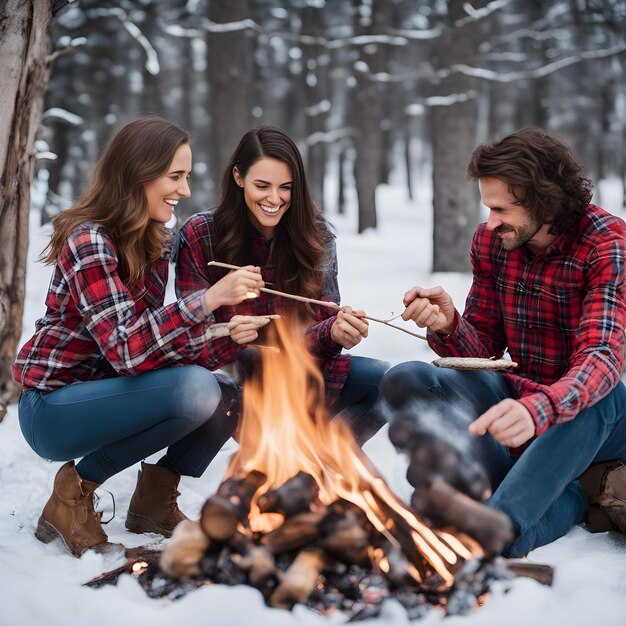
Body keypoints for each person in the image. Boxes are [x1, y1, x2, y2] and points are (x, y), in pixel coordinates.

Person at [13, 116, 268, 557]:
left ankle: (152, 500)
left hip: (108, 394)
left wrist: (229, 337)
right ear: (137, 174)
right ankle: (71, 496)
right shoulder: (88, 240)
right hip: (53, 409)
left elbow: (154, 349)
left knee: (224, 393)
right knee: (196, 386)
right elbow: (128, 350)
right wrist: (206, 302)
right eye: (175, 177)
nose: (185, 191)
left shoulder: (154, 242)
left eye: (186, 177)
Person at [380, 127, 626, 557]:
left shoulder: (607, 243)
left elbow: (600, 358)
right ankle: (534, 495)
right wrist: (448, 324)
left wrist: (542, 409)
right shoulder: (493, 242)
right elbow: (484, 352)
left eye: (500, 209)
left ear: (546, 201)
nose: (490, 222)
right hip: (516, 396)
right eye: (487, 207)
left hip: (591, 416)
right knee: (408, 378)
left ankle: (499, 525)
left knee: (600, 398)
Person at [175, 124, 389, 444]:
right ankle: (164, 480)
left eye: (285, 187)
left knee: (387, 383)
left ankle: (323, 465)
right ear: (238, 177)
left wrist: (334, 331)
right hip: (238, 385)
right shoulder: (201, 233)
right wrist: (232, 335)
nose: (274, 199)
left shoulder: (316, 236)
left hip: (306, 375)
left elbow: (323, 326)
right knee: (203, 384)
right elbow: (190, 341)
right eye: (262, 185)